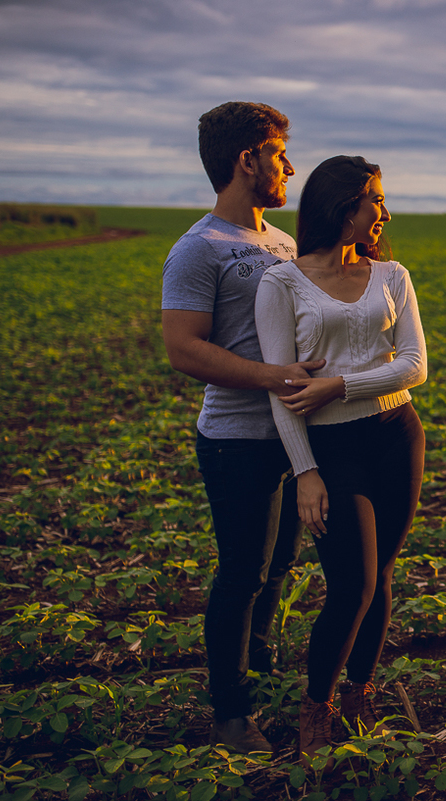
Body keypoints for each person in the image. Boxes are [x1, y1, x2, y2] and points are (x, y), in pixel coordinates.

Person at [161, 102, 332, 753]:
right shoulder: (199, 249)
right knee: (242, 572)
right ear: (247, 159)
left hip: (294, 437)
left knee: (282, 563)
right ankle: (230, 714)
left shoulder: (284, 243)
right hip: (235, 440)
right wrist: (275, 377)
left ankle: (258, 671)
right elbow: (184, 348)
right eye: (280, 154)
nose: (289, 166)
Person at [253, 156, 426, 761]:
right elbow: (283, 387)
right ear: (341, 207)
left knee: (380, 577)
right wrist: (305, 471)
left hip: (396, 435)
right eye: (373, 199)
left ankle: (359, 696)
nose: (383, 210)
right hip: (331, 447)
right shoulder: (282, 283)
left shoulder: (393, 274)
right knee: (350, 584)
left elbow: (414, 366)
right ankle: (317, 709)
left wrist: (340, 385)